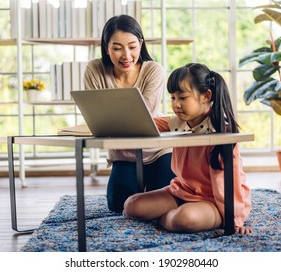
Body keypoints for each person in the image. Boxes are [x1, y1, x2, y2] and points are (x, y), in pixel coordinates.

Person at [123, 63, 252, 234]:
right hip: (182, 192)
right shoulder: (178, 122)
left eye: (182, 98)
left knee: (185, 219)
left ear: (206, 96)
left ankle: (167, 219)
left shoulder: (221, 132)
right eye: (173, 98)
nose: (176, 104)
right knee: (132, 205)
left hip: (213, 201)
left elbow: (229, 183)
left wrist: (234, 220)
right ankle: (170, 218)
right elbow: (148, 123)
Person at [83, 14, 175, 212]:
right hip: (123, 155)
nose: (126, 55)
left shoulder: (153, 70)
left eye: (132, 47)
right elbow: (97, 118)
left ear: (141, 44)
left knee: (166, 197)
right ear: (106, 47)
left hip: (157, 151)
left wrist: (110, 119)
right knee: (118, 205)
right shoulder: (94, 69)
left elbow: (143, 119)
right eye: (117, 48)